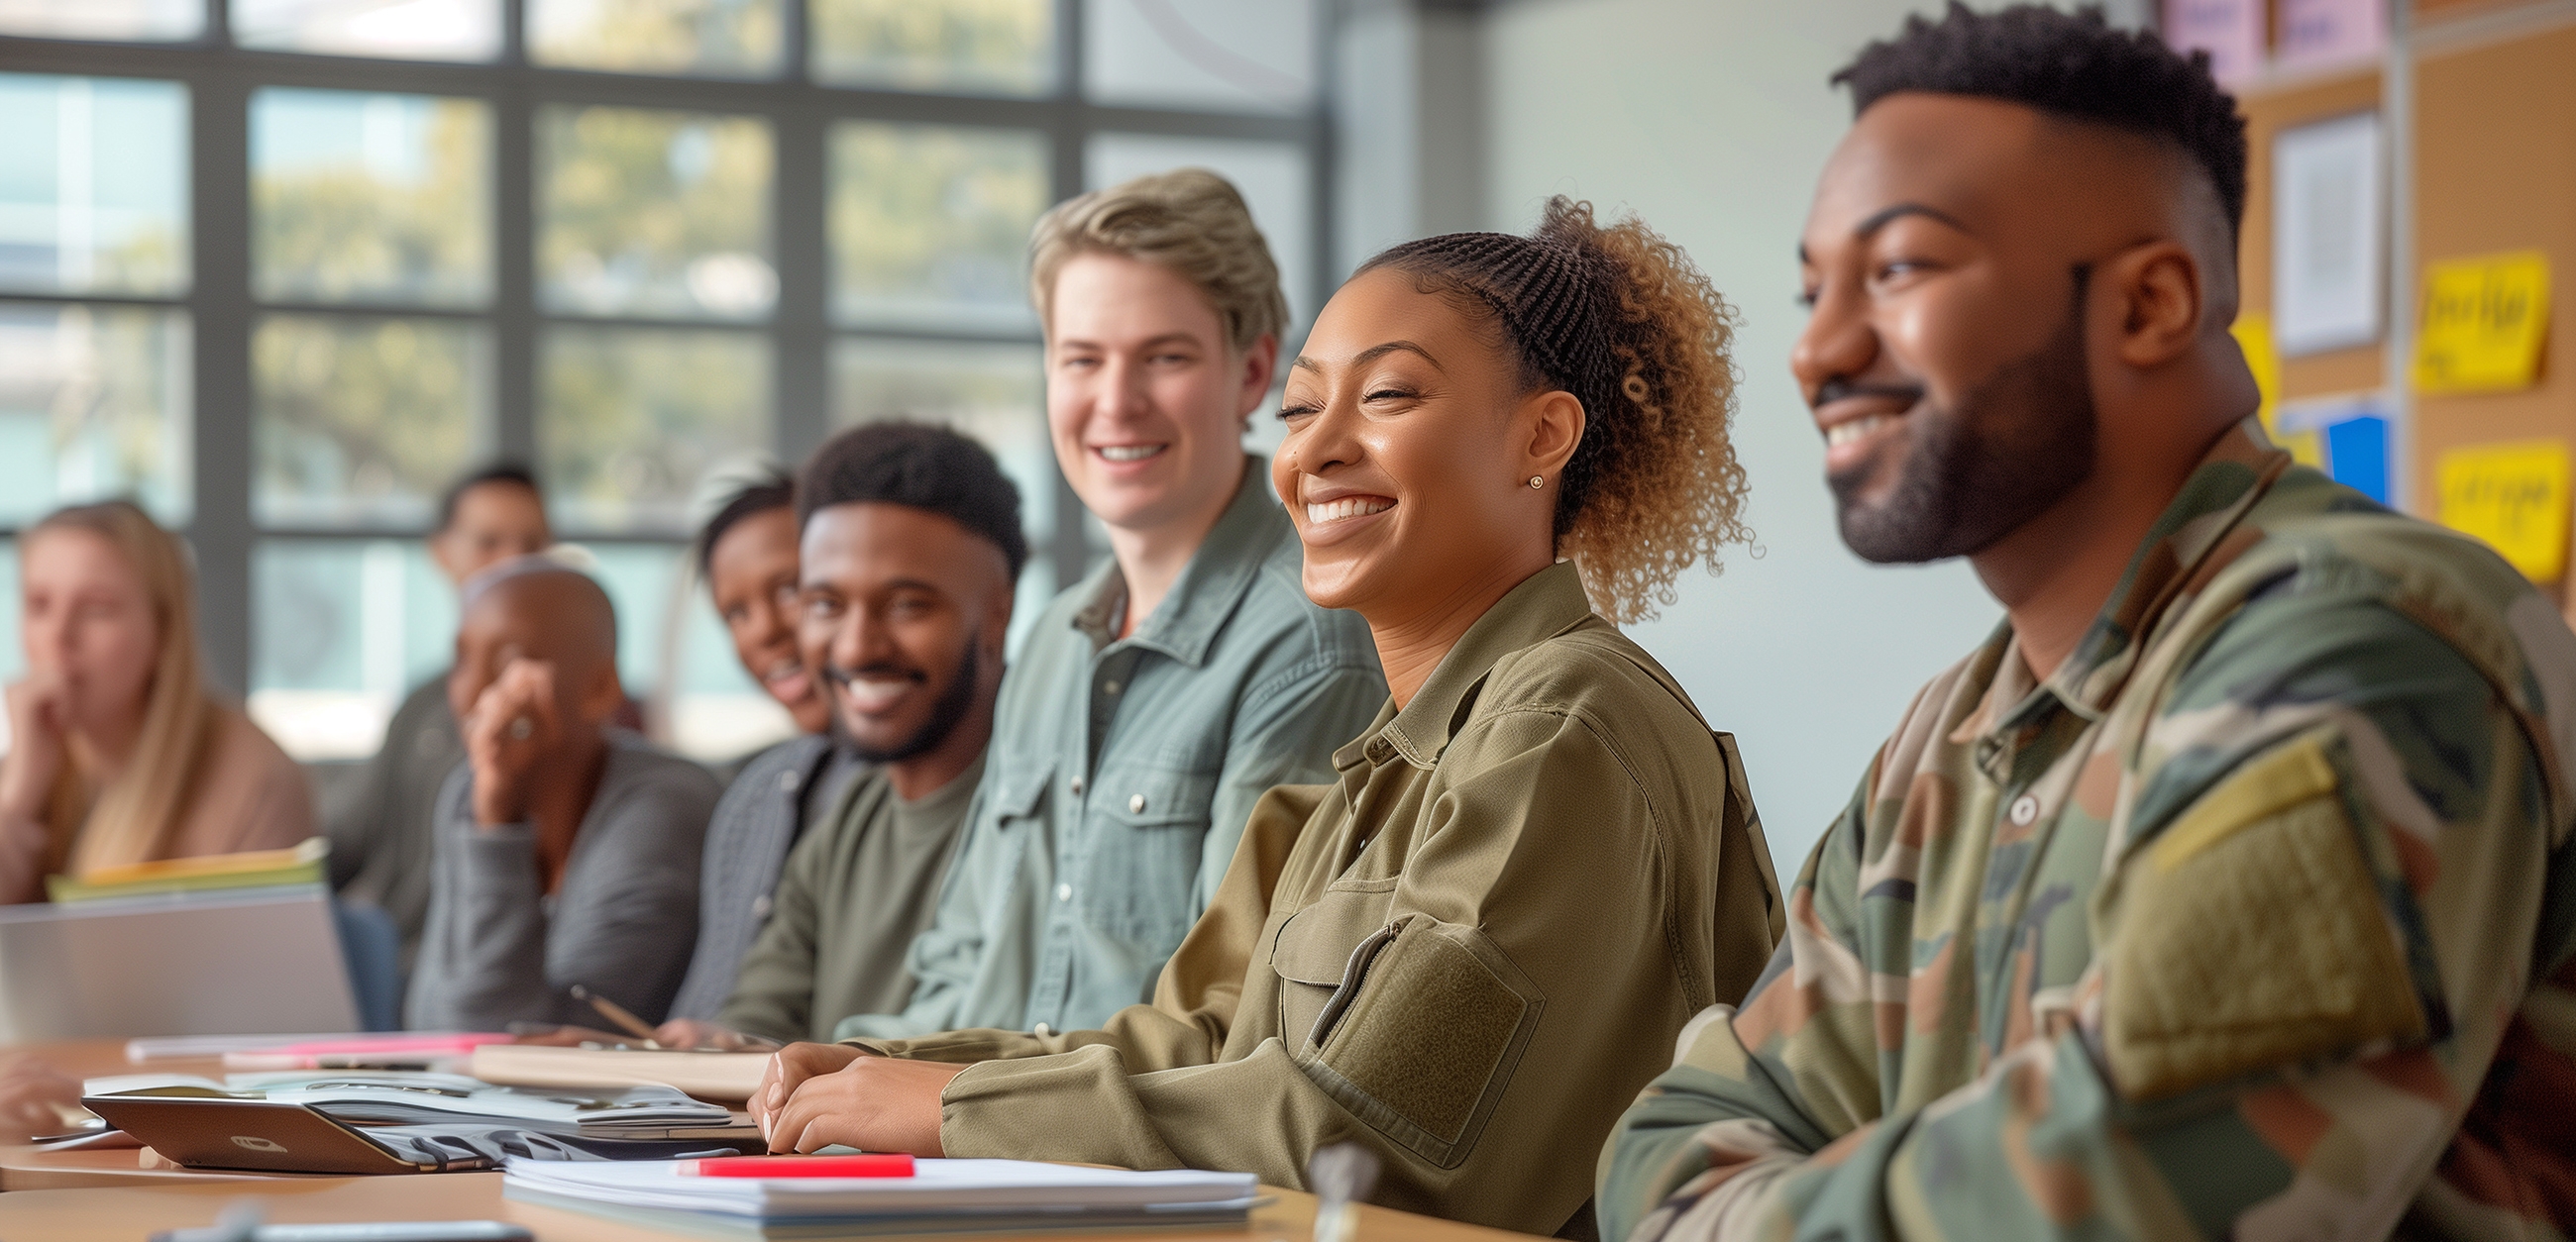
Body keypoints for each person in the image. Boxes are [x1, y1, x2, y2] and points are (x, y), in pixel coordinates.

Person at [1595, 9, 2576, 1242]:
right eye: (1813, 290)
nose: (1815, 348)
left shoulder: (2355, 651)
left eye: (1896, 271)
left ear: (2149, 303)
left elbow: (2111, 1206)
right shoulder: (1948, 735)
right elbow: (1671, 1139)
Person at [751, 200, 1786, 1239]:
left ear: (1541, 435)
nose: (1316, 451)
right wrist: (904, 1071)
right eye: (1298, 412)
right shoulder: (1367, 783)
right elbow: (1197, 1047)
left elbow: (1358, 1139)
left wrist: (943, 1108)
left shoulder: (1561, 725)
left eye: (1386, 396)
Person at [833, 168, 1385, 1042]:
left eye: (1164, 357)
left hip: (1113, 1160)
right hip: (974, 1141)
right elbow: (961, 967)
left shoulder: (1312, 638)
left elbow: (1234, 1018)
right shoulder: (1057, 636)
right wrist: (818, 1072)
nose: (1115, 402)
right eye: (1082, 359)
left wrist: (931, 1098)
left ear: (1250, 374)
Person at [659, 424, 1020, 1047]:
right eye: (825, 605)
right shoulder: (847, 820)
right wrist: (689, 1053)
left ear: (997, 612)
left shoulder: (1045, 810)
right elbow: (755, 1023)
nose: (855, 648)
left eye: (907, 605)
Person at [404, 557, 721, 1030]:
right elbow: (428, 1020)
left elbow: (509, 1035)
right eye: (463, 660)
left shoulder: (666, 806)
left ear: (599, 689)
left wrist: (497, 825)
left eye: (509, 661)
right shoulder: (466, 792)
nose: (472, 692)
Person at [0, 500, 311, 904]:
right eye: (39, 605)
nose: (59, 637)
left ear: (163, 630)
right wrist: (17, 797)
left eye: (97, 608)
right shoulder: (28, 761)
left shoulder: (255, 781)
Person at [327, 464, 552, 969]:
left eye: (533, 544)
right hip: (391, 969)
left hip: (481, 976)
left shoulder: (576, 712)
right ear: (442, 554)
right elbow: (342, 840)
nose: (514, 563)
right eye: (489, 542)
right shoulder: (423, 705)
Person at [662, 468, 862, 1024]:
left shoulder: (918, 781)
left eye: (789, 589)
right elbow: (709, 1013)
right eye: (737, 613)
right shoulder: (757, 795)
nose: (764, 631)